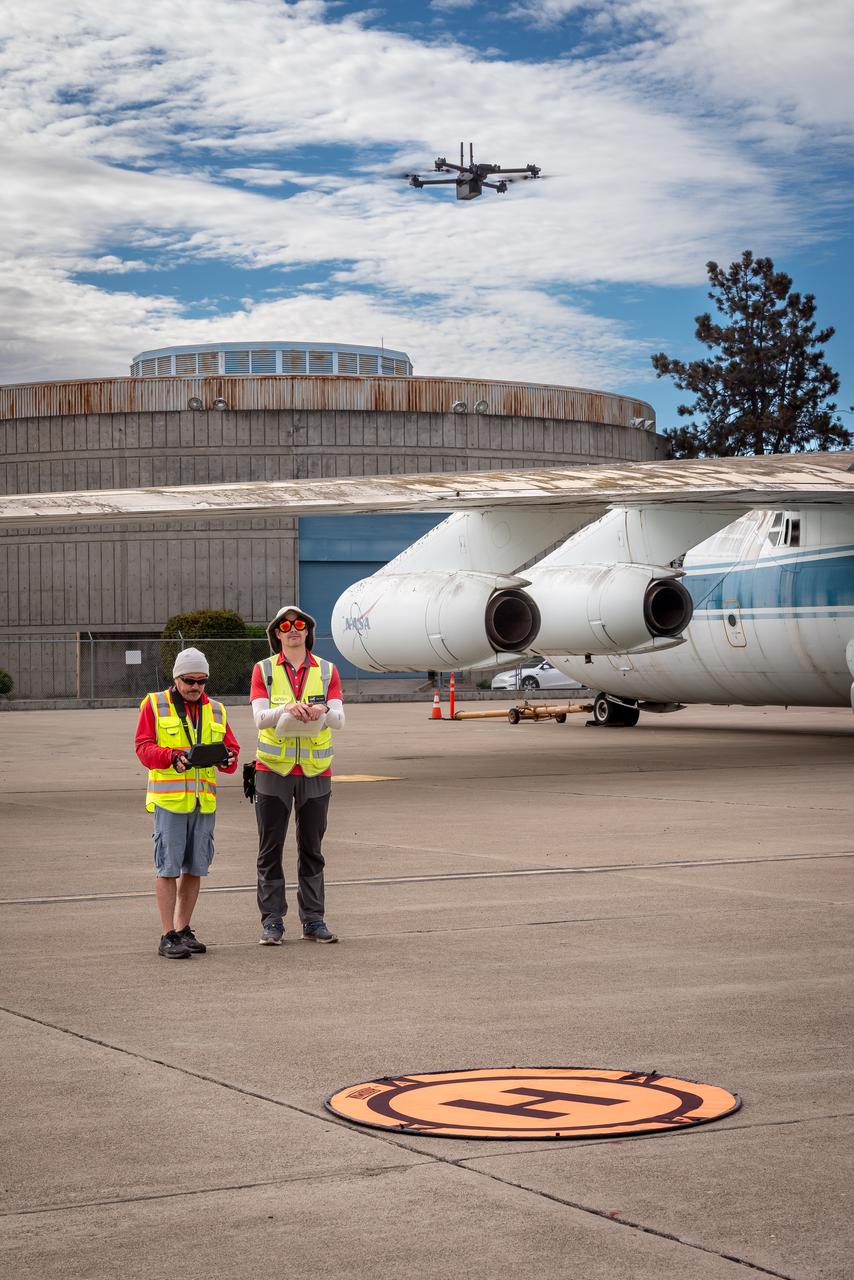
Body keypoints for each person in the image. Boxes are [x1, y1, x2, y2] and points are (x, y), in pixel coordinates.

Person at [135, 647, 240, 959]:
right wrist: (172, 757)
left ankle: (183, 929)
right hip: (170, 802)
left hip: (203, 802)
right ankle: (167, 934)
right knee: (167, 868)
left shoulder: (217, 710)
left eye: (201, 681)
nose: (195, 686)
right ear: (176, 678)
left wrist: (228, 759)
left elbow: (231, 752)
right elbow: (143, 748)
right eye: (189, 680)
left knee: (195, 868)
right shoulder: (154, 703)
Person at [250, 605, 344, 945]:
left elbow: (340, 718)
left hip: (316, 769)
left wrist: (323, 709)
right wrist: (286, 709)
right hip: (273, 769)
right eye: (285, 625)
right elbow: (259, 718)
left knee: (312, 848)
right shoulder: (263, 670)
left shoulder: (327, 670)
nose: (293, 629)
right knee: (270, 848)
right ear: (277, 633)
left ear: (307, 631)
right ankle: (272, 921)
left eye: (299, 624)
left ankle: (314, 920)